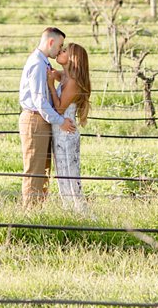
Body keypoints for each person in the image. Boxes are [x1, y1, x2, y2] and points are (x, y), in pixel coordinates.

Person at [19, 27, 76, 208]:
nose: (59, 50)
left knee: (43, 171)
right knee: (34, 171)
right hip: (35, 119)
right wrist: (61, 121)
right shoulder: (37, 64)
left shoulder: (43, 62)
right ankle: (30, 214)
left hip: (42, 120)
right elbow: (39, 101)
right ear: (50, 42)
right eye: (59, 46)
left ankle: (38, 211)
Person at [47, 43, 91, 212]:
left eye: (64, 51)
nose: (60, 51)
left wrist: (51, 85)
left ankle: (81, 212)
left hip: (67, 134)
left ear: (73, 59)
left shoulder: (72, 82)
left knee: (71, 176)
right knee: (62, 175)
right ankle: (69, 211)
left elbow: (59, 109)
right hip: (59, 133)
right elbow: (54, 73)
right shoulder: (65, 76)